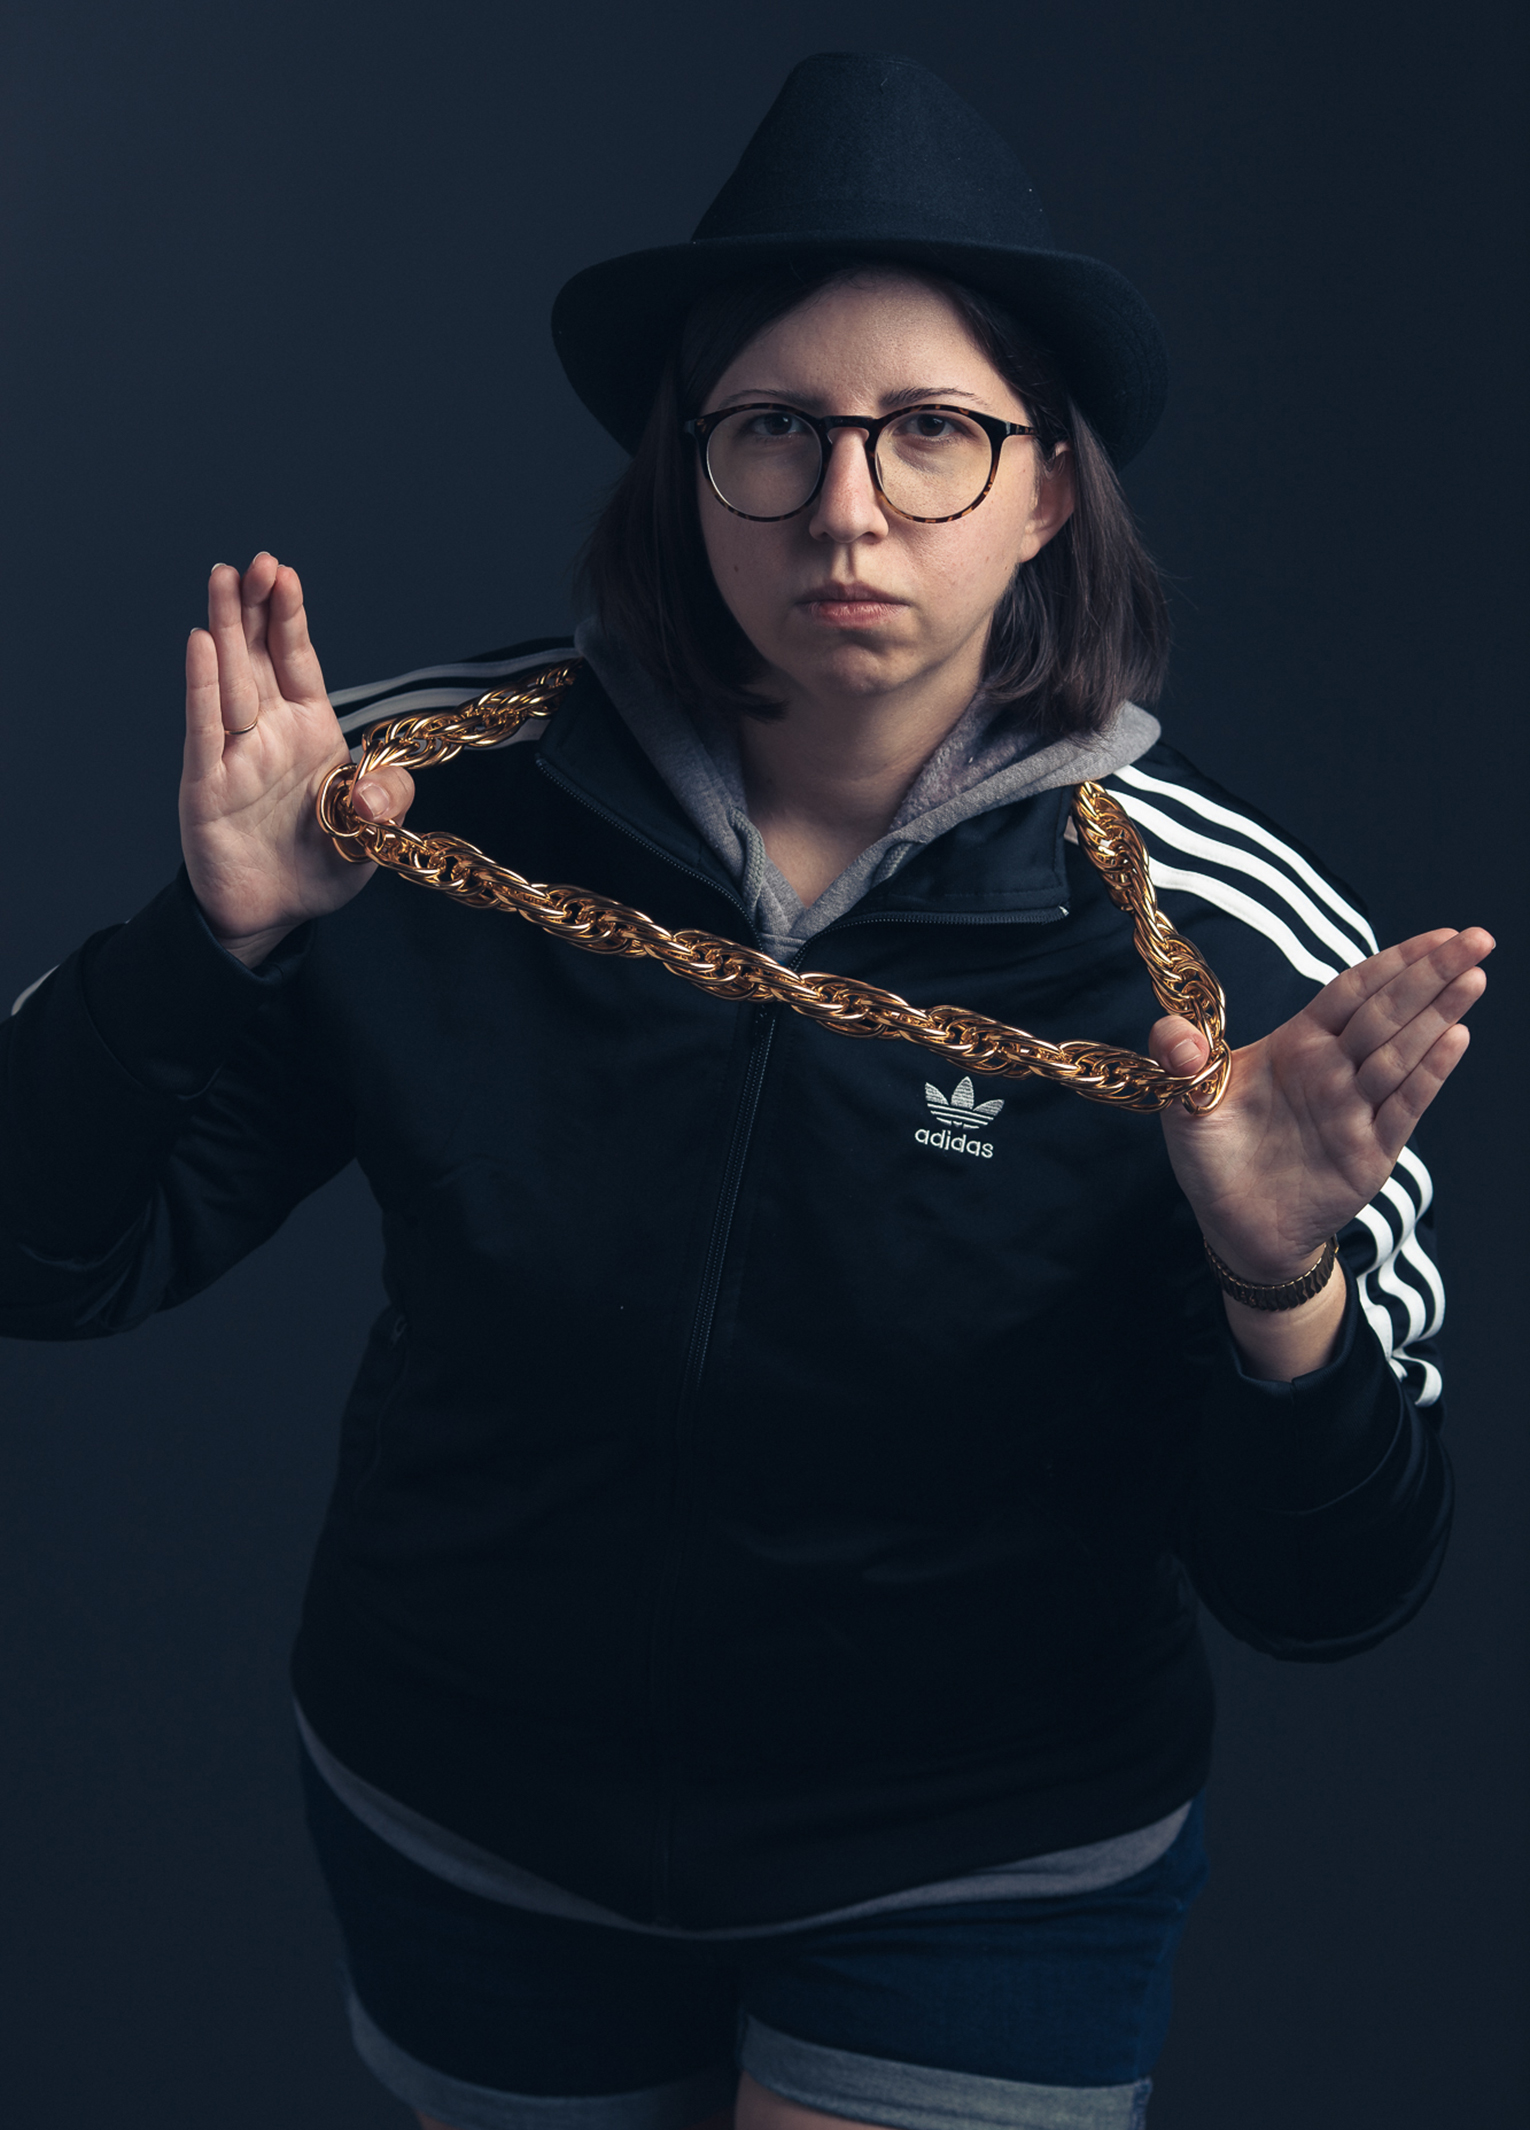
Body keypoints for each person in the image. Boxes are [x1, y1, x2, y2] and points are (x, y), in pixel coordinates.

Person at [0, 51, 1491, 2130]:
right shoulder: (410, 800)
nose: (849, 506)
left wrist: (1276, 1287)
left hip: (980, 1851)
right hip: (470, 1811)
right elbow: (49, 1260)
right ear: (682, 473)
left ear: (1051, 487)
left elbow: (1338, 1591)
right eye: (773, 433)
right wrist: (213, 935)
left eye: (931, 436)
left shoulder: (1232, 949)